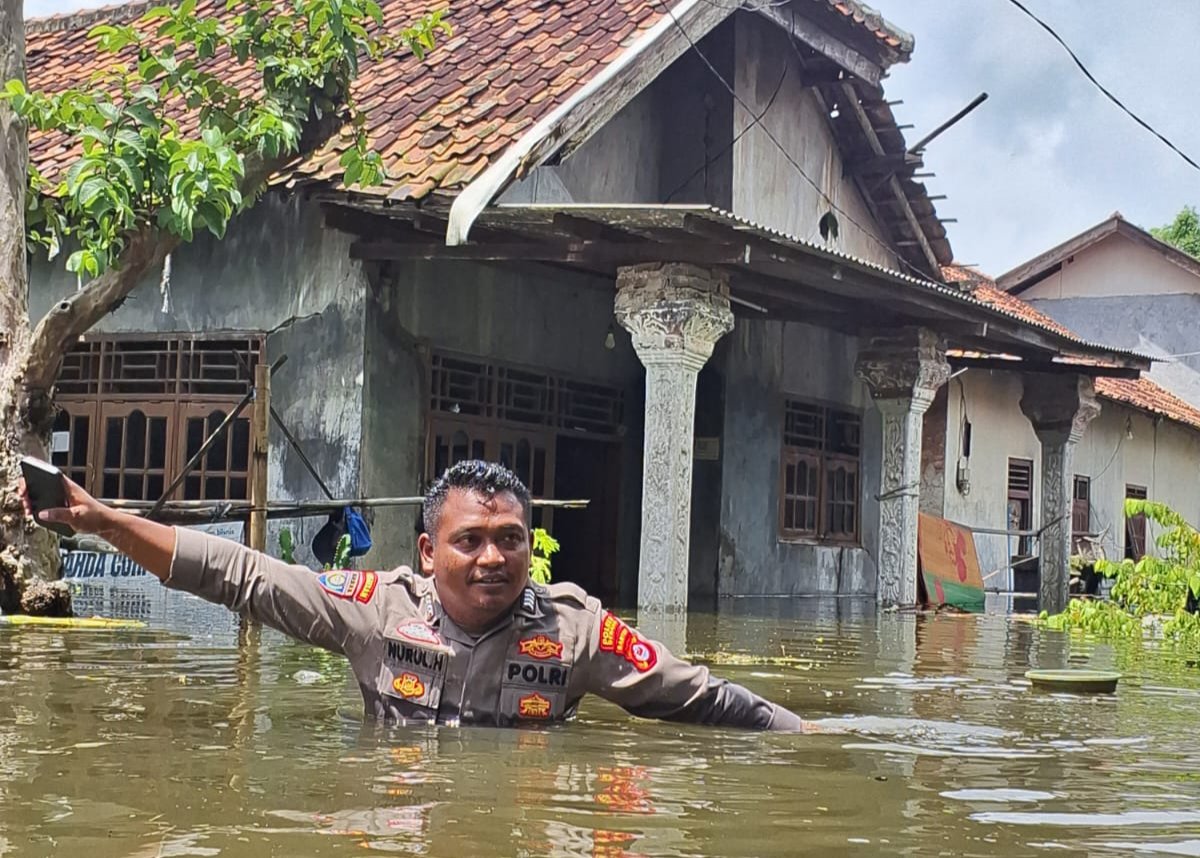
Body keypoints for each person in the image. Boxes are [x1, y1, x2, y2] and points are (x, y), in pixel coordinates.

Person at [22, 459, 817, 732]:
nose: (494, 558)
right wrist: (102, 520)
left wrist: (819, 738)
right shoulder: (375, 607)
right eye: (470, 541)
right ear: (429, 552)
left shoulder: (576, 633)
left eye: (510, 538)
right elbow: (242, 575)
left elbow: (704, 700)